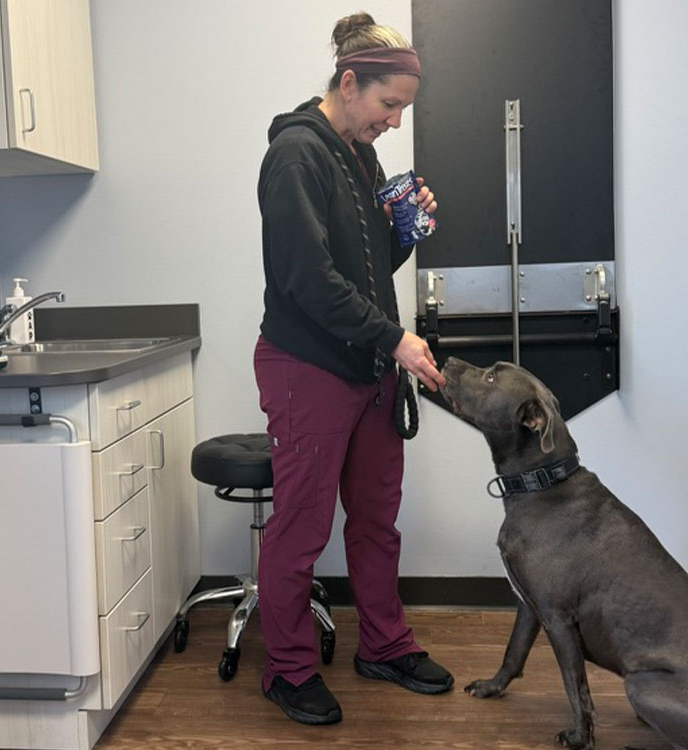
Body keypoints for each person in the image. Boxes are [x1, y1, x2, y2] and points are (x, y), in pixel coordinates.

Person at [254, 12, 450, 725]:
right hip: (307, 367)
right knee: (301, 528)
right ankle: (287, 670)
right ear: (348, 83)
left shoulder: (358, 156)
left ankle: (384, 646)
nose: (393, 122)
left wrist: (404, 231)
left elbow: (363, 271)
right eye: (388, 104)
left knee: (375, 520)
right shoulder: (295, 156)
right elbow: (308, 280)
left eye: (401, 109)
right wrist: (396, 340)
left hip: (365, 366)